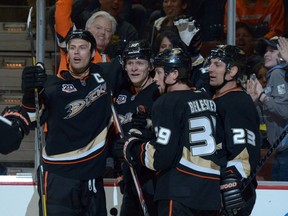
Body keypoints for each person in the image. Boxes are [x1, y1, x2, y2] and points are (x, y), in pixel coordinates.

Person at [21, 29, 124, 215]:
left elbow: (141, 70)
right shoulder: (51, 85)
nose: (76, 52)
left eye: (82, 48)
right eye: (72, 48)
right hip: (59, 178)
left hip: (93, 180)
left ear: (93, 53)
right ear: (67, 53)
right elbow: (30, 120)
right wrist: (29, 96)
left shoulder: (106, 75)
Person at [123, 48, 221, 216]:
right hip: (209, 194)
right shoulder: (206, 99)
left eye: (159, 72)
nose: (155, 78)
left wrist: (132, 147)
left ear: (174, 74)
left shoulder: (166, 101)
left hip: (178, 192)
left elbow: (161, 157)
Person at [207, 45, 261, 215]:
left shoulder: (237, 101)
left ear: (232, 71)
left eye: (217, 64)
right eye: (210, 63)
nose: (210, 69)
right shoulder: (217, 98)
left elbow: (244, 150)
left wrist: (231, 181)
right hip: (215, 188)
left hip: (234, 192)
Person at [111, 40, 160, 216]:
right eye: (130, 63)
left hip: (153, 177)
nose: (134, 68)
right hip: (130, 175)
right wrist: (120, 168)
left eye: (140, 63)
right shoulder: (122, 95)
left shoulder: (158, 93)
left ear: (150, 66)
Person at [247, 36, 288, 181]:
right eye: (266, 51)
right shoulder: (275, 75)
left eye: (272, 50)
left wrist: (262, 97)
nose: (266, 54)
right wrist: (257, 100)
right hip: (279, 151)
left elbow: (284, 112)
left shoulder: (278, 74)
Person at [54, 0, 117, 73]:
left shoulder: (110, 62)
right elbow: (62, 13)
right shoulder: (73, 41)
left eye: (108, 30)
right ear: (87, 29)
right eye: (98, 28)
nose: (102, 32)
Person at [71, 0, 139, 58]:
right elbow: (67, 14)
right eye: (98, 27)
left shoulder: (129, 31)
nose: (116, 2)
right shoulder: (83, 19)